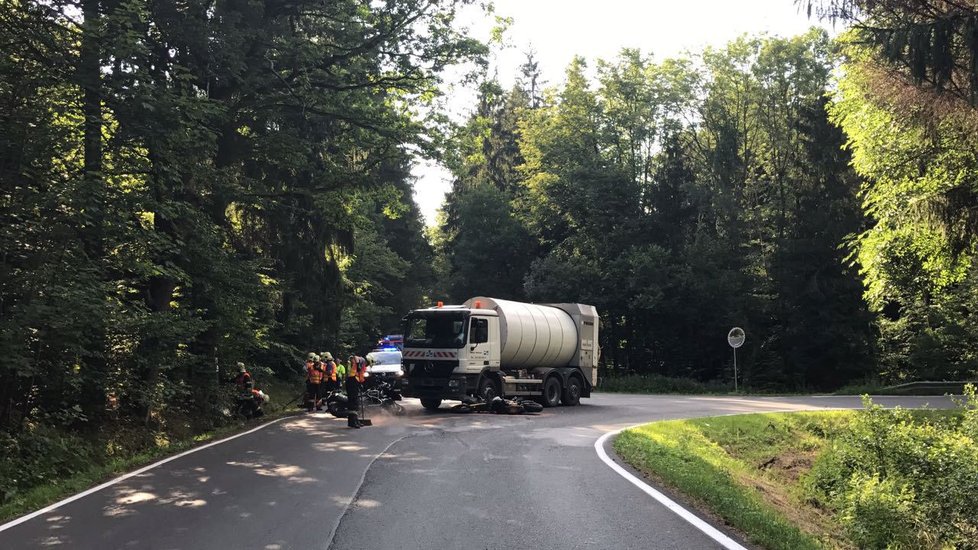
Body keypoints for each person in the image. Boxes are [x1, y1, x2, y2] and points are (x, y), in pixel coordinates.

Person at [345, 355, 368, 428]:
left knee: (355, 402)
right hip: (352, 382)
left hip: (355, 382)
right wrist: (358, 364)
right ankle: (352, 422)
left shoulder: (362, 365)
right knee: (353, 402)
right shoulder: (361, 361)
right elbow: (354, 357)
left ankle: (355, 420)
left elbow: (361, 376)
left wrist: (360, 383)